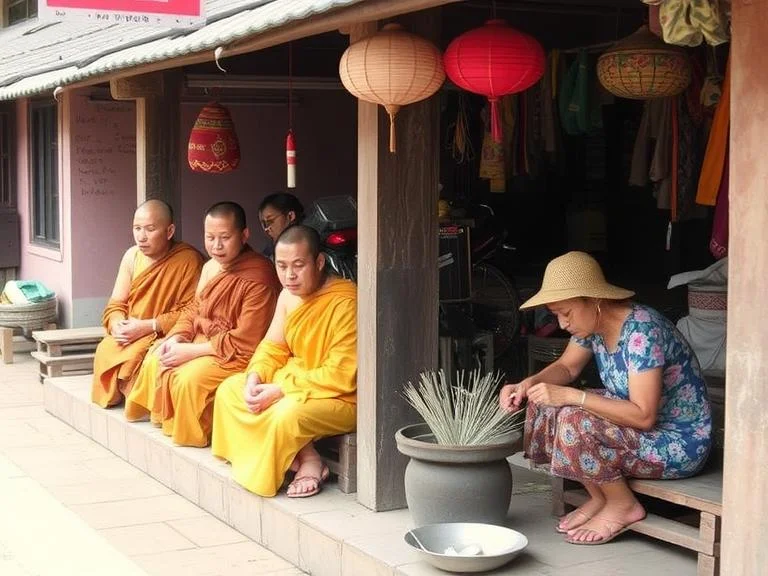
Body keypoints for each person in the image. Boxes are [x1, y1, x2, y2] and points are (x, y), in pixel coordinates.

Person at [500, 251, 712, 545]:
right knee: (548, 404)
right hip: (638, 429)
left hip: (676, 439)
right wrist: (527, 384)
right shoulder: (594, 325)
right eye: (557, 315)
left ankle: (624, 505)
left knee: (573, 415)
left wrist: (572, 396)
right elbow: (567, 367)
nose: (561, 324)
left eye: (566, 313)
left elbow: (643, 415)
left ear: (594, 300)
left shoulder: (642, 330)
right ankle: (601, 497)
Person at [211, 225, 357, 498]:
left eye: (298, 265)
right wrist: (255, 376)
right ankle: (305, 457)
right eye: (281, 266)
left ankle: (303, 462)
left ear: (319, 262)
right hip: (296, 381)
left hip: (340, 396)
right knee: (230, 390)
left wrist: (281, 390)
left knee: (284, 413)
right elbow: (273, 348)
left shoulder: (346, 301)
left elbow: (341, 373)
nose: (289, 275)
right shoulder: (288, 296)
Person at [124, 201, 281, 447]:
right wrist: (176, 337)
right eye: (210, 237)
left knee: (188, 378)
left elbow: (247, 341)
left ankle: (194, 435)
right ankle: (168, 423)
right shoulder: (210, 267)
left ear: (244, 235)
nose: (216, 246)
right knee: (159, 355)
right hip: (206, 341)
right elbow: (193, 310)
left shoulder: (259, 276)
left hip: (235, 353)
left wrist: (191, 351)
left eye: (225, 237)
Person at [91, 199, 203, 408]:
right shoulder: (131, 256)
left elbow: (192, 311)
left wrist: (148, 326)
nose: (141, 236)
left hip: (163, 333)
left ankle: (136, 399)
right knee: (105, 348)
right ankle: (120, 393)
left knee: (143, 358)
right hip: (130, 330)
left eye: (150, 229)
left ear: (169, 231)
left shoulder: (189, 260)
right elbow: (116, 302)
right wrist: (117, 324)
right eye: (137, 228)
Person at [258, 192, 305, 258]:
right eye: (263, 223)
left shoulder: (311, 246)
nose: (266, 229)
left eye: (270, 221)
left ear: (290, 216)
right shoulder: (268, 254)